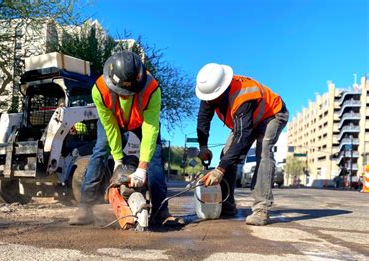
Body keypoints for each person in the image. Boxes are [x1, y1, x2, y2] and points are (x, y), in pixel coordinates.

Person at [69, 51, 183, 227]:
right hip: (113, 120)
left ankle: (161, 211)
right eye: (122, 92)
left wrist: (142, 169)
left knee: (155, 155)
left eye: (130, 92)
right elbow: (111, 128)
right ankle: (84, 207)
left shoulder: (152, 89)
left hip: (141, 121)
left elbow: (150, 130)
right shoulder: (99, 90)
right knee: (100, 150)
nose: (125, 95)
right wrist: (117, 161)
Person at [195, 63, 289, 226]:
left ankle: (261, 209)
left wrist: (220, 169)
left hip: (272, 114)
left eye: (212, 99)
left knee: (263, 152)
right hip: (247, 122)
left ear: (222, 89)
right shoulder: (209, 94)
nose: (209, 102)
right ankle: (228, 205)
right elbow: (203, 120)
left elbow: (242, 136)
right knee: (227, 154)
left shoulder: (242, 95)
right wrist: (203, 146)